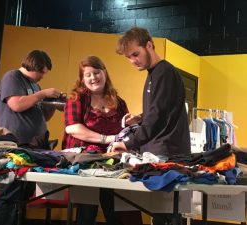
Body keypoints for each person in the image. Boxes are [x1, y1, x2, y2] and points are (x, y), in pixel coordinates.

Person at [111, 27, 191, 224]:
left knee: (166, 215)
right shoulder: (154, 73)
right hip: (161, 151)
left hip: (167, 153)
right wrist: (139, 118)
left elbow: (158, 116)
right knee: (161, 214)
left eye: (136, 54)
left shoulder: (163, 72)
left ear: (149, 45)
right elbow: (160, 111)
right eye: (129, 57)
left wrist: (128, 143)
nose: (133, 61)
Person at [62, 55, 142, 225]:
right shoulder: (76, 98)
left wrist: (131, 124)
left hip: (114, 162)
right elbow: (72, 128)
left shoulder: (119, 102)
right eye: (88, 75)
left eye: (96, 72)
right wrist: (107, 138)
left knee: (116, 210)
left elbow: (126, 132)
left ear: (104, 73)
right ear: (82, 79)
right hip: (85, 162)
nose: (93, 78)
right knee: (86, 212)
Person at [0, 49, 62, 225]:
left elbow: (41, 117)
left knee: (24, 193)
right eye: (42, 72)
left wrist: (53, 104)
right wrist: (42, 94)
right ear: (35, 65)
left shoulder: (35, 86)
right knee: (9, 193)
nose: (42, 77)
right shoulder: (12, 77)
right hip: (15, 145)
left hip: (33, 146)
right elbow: (16, 105)